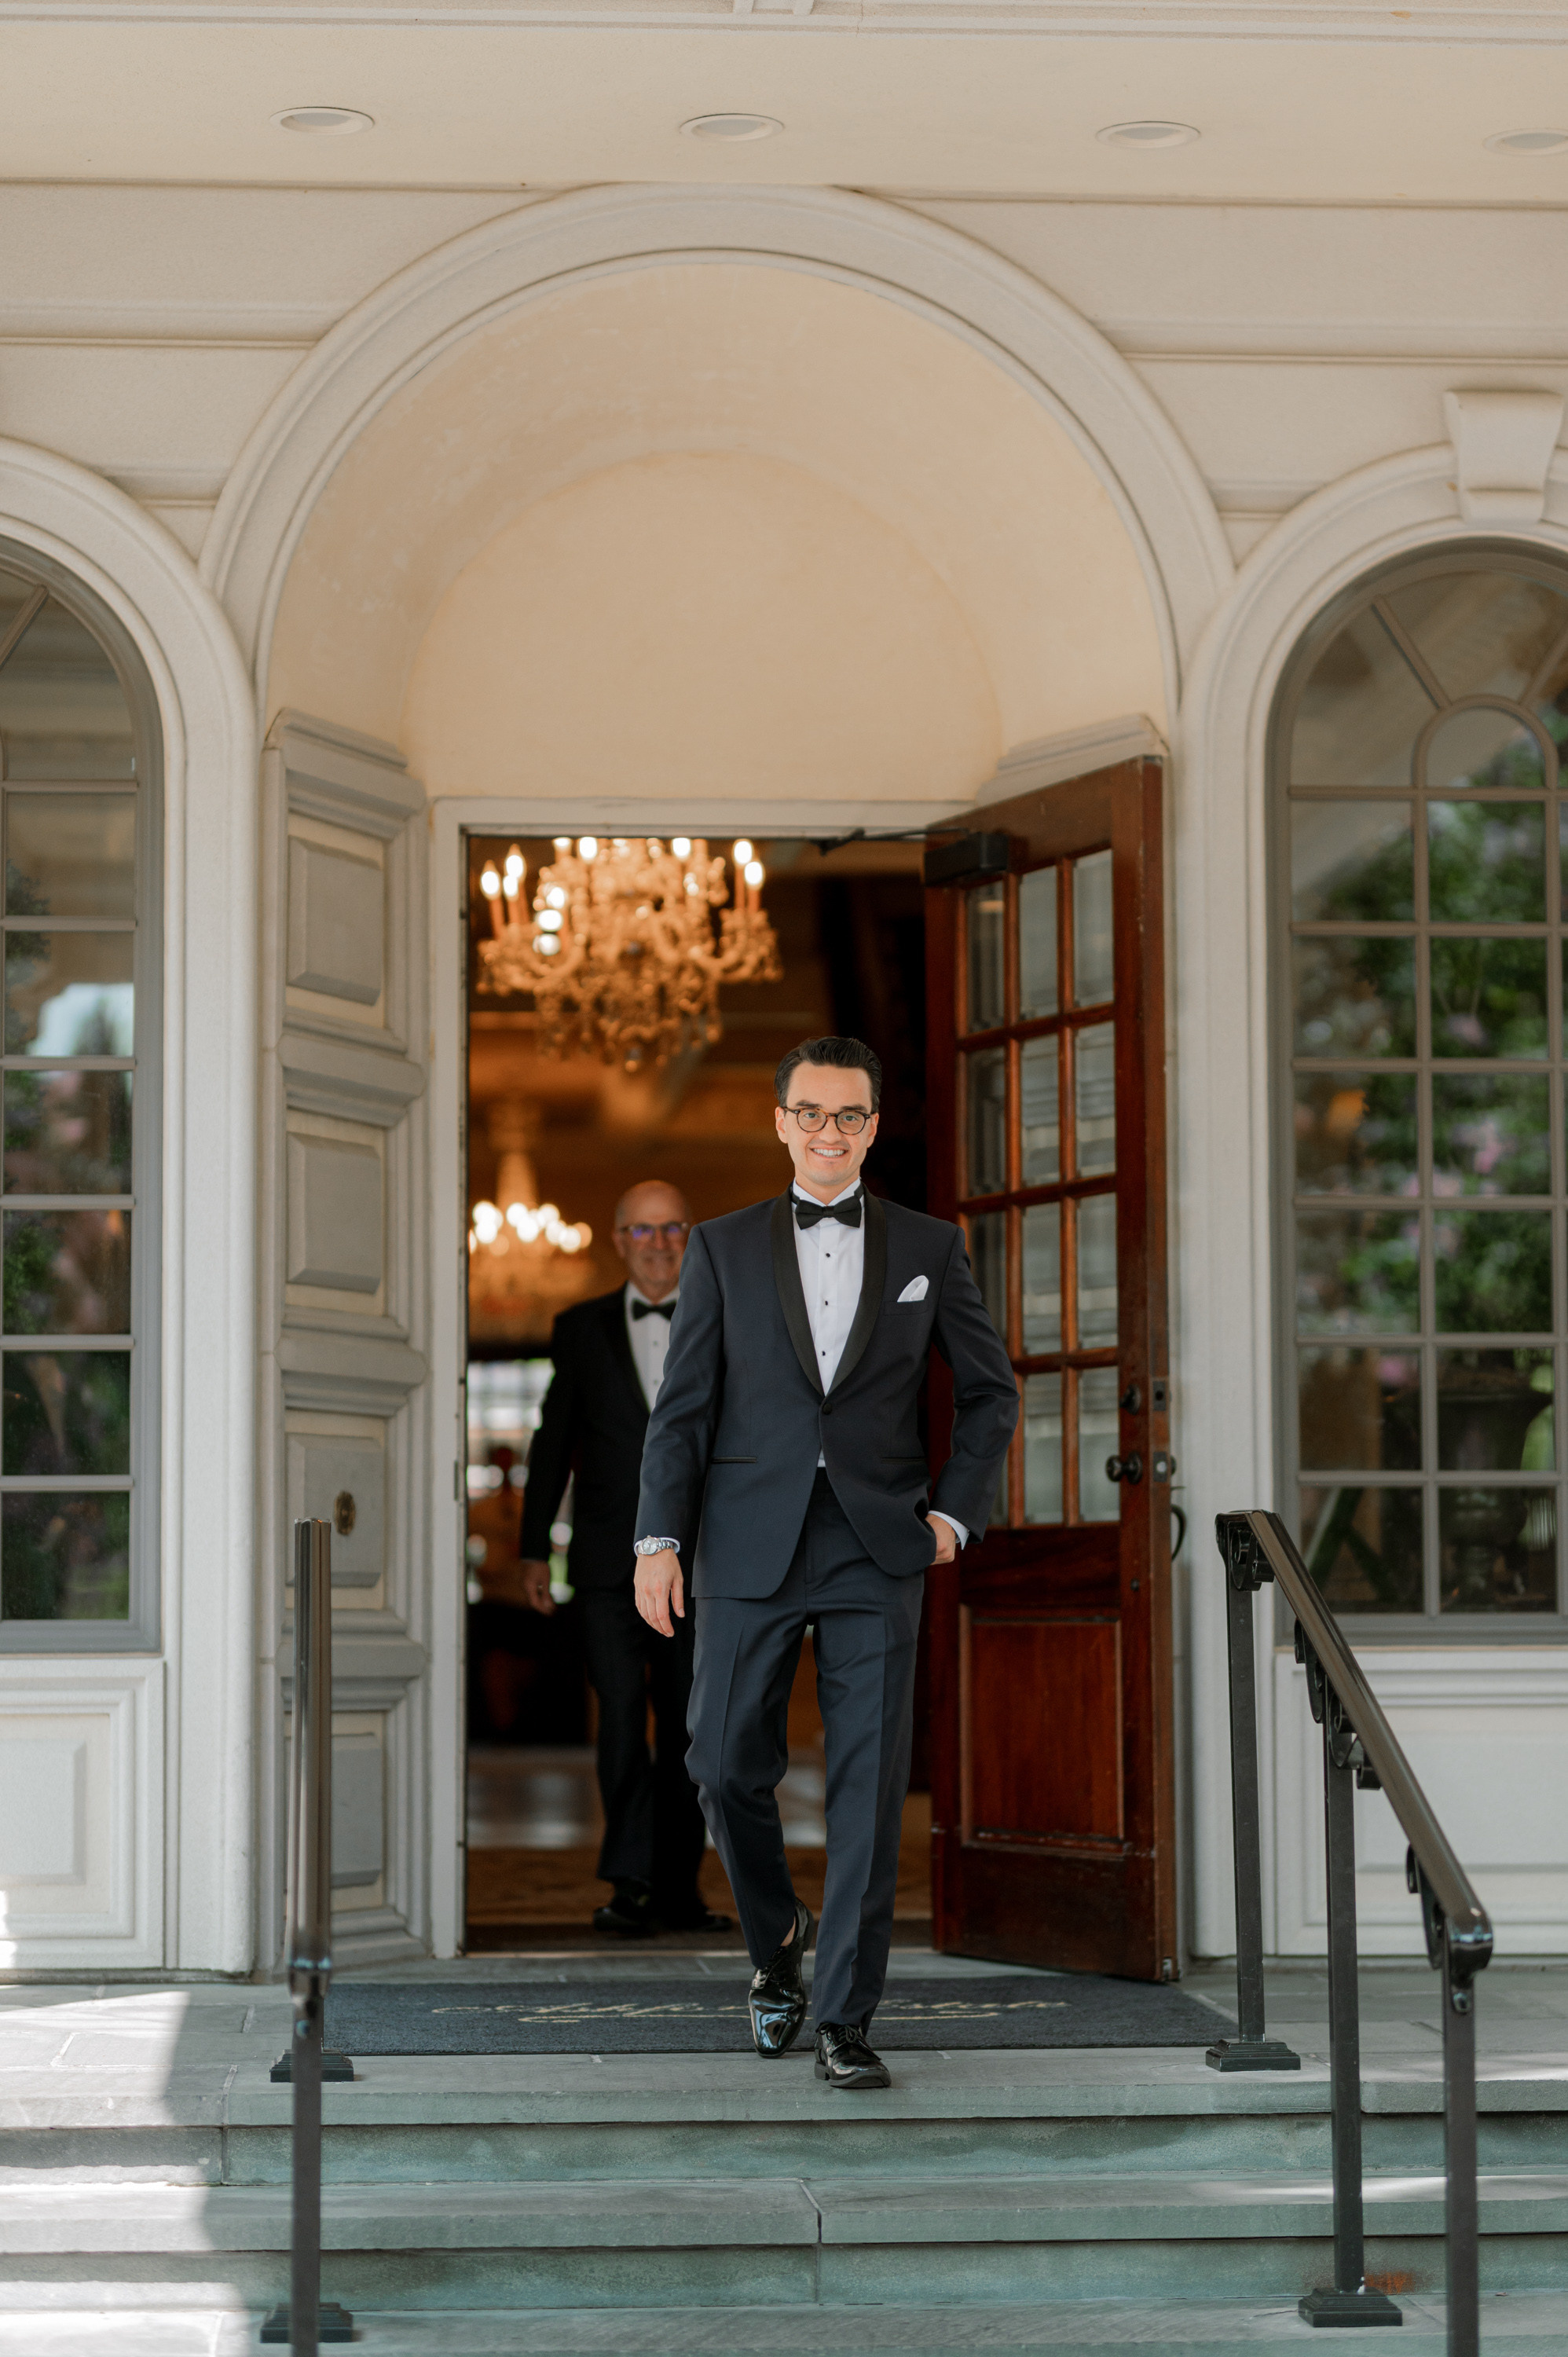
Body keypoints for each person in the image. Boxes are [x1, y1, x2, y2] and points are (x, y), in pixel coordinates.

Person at [633, 1036, 1018, 2088]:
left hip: (875, 1546)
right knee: (718, 1760)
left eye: (849, 1116)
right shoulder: (718, 1248)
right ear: (780, 1122)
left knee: (866, 1787)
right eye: (810, 1113)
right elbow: (682, 1411)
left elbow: (990, 1392)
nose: (829, 1134)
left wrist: (955, 1514)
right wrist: (656, 1540)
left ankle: (847, 2019)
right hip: (743, 1538)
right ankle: (776, 1947)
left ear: (875, 1127)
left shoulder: (931, 1249)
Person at [517, 1178, 729, 1938]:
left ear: (690, 1235)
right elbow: (553, 1444)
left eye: (672, 1228)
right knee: (620, 1724)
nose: (658, 1243)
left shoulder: (723, 1317)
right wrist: (534, 1546)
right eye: (642, 1230)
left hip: (702, 1564)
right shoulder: (580, 1328)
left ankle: (681, 1887)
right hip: (607, 1566)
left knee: (689, 1729)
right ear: (618, 1240)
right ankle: (631, 1881)